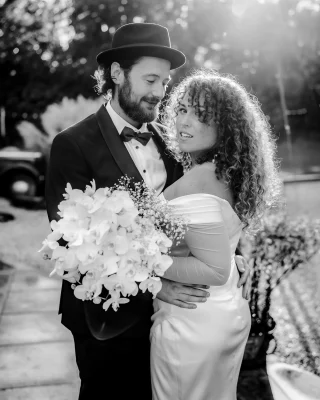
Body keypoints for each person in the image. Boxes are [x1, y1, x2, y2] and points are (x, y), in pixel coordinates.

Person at [45, 23, 251, 400]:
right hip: (107, 322)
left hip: (177, 321)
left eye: (165, 82)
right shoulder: (72, 145)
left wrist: (231, 254)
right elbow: (70, 244)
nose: (160, 93)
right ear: (117, 73)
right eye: (151, 80)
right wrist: (157, 285)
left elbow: (200, 211)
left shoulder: (173, 144)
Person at [150, 69, 282, 400]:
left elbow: (213, 269)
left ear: (224, 124)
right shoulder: (227, 172)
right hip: (220, 310)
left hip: (191, 320)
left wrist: (143, 263)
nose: (185, 122)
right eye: (182, 110)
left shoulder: (201, 178)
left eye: (201, 114)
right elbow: (219, 248)